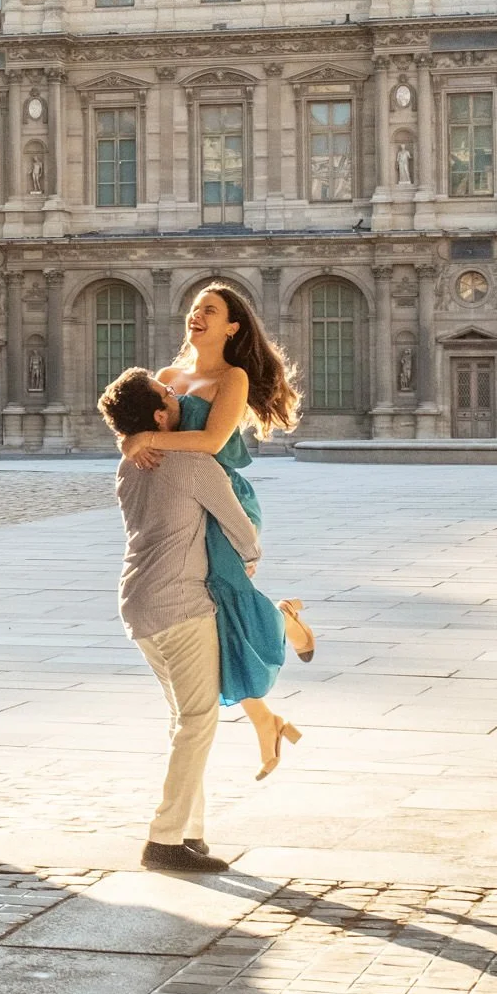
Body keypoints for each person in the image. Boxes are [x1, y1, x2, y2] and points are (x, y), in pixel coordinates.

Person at [117, 283, 314, 779]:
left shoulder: (233, 377)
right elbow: (140, 421)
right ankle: (265, 719)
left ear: (232, 327)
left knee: (225, 601)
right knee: (214, 616)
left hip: (222, 498)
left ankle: (283, 622)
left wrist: (144, 437)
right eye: (194, 308)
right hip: (183, 499)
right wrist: (130, 439)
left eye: (210, 310)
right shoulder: (167, 377)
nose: (197, 315)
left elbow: (209, 440)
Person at [98, 362, 262, 874]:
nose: (177, 394)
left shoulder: (129, 464)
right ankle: (164, 839)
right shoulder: (194, 464)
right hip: (181, 604)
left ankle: (190, 831)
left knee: (184, 717)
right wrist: (249, 559)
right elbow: (242, 530)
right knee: (197, 720)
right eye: (167, 392)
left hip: (138, 602)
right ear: (158, 416)